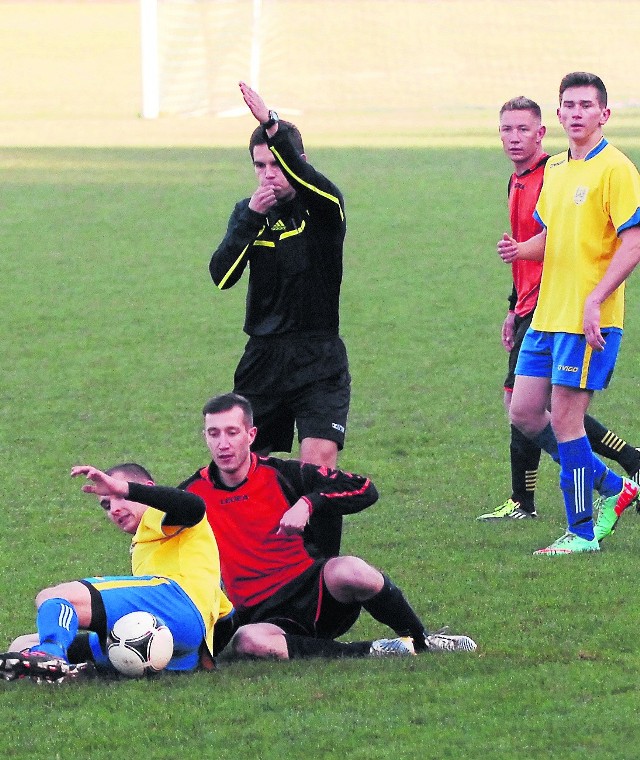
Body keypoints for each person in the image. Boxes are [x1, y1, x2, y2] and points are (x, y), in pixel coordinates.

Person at [180, 392, 477, 660]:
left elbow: (364, 489)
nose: (223, 444)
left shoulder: (283, 474)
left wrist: (309, 503)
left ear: (251, 434)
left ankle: (422, 641)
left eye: (232, 432)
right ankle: (372, 651)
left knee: (351, 569)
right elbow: (151, 523)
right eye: (214, 433)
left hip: (315, 594)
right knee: (248, 641)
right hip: (259, 613)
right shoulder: (193, 493)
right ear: (205, 436)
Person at [478, 95, 640, 521]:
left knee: (566, 421)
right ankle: (615, 485)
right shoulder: (555, 170)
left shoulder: (614, 169)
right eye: (568, 105)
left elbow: (633, 241)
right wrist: (518, 260)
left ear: (603, 114)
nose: (576, 113)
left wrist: (595, 298)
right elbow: (551, 240)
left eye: (586, 106)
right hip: (543, 312)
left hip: (579, 315)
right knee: (525, 411)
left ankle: (580, 526)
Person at [209, 82, 351, 558]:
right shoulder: (248, 212)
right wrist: (249, 219)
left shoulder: (324, 209)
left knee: (319, 469)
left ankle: (325, 573)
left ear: (297, 160)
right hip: (263, 360)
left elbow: (308, 177)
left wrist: (271, 121)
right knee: (250, 470)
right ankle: (255, 564)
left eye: (277, 163)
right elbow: (222, 275)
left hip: (318, 355)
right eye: (260, 165)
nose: (269, 174)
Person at [0, 463, 232, 683]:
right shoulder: (150, 545)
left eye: (120, 497)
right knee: (21, 644)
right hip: (177, 647)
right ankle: (66, 667)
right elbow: (226, 616)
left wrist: (126, 489)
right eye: (106, 504)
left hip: (176, 603)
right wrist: (204, 654)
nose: (115, 508)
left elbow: (194, 506)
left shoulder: (161, 515)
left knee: (53, 597)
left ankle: (50, 654)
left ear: (146, 490)